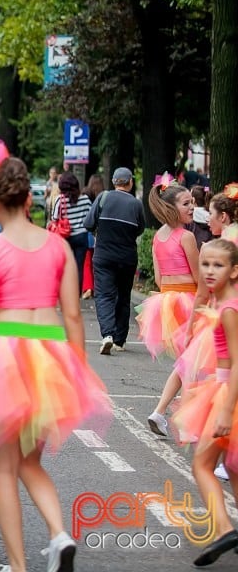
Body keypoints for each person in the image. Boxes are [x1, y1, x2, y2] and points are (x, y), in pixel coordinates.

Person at [0, 156, 110, 572]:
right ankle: (59, 533)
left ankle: (18, 567)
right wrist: (78, 372)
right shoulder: (58, 247)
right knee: (30, 461)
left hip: (7, 354)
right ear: (31, 200)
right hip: (51, 353)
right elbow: (73, 316)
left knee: (3, 466)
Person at [171, 239, 238, 567]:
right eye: (205, 264)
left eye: (218, 265)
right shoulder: (223, 303)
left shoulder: (229, 310)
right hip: (223, 391)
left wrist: (226, 408)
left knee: (202, 464)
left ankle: (225, 529)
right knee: (235, 469)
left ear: (234, 270)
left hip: (229, 395)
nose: (209, 271)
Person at [141, 177, 206, 437]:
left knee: (185, 363)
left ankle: (159, 412)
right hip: (190, 303)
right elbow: (200, 278)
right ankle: (187, 423)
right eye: (186, 203)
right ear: (171, 208)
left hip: (166, 303)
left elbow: (158, 279)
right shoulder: (187, 237)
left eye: (192, 202)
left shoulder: (158, 237)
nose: (192, 207)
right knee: (193, 365)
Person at [83, 167, 146, 355]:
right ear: (130, 182)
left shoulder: (103, 198)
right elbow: (140, 229)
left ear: (113, 182)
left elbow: (88, 223)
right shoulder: (136, 204)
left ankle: (107, 335)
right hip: (127, 257)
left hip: (103, 256)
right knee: (123, 297)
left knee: (104, 296)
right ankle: (120, 339)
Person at [48, 172, 93, 294]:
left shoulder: (60, 199)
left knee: (65, 265)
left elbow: (54, 218)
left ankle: (64, 290)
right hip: (81, 236)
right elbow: (90, 218)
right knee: (79, 266)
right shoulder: (85, 199)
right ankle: (76, 293)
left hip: (65, 237)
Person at [80, 175, 105, 299]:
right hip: (100, 237)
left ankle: (89, 288)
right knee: (97, 265)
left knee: (87, 263)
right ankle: (97, 288)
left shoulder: (86, 196)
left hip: (88, 236)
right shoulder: (104, 198)